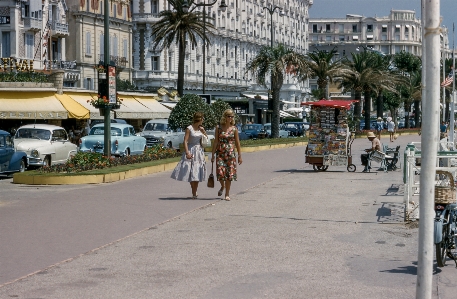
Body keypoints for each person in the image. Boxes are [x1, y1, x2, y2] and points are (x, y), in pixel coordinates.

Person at [170, 112, 208, 199]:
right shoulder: (189, 128)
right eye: (202, 118)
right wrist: (187, 152)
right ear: (199, 119)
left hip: (199, 151)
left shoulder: (200, 129)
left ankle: (195, 190)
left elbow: (206, 139)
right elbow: (185, 141)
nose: (203, 120)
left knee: (197, 171)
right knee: (192, 172)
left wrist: (203, 131)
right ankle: (194, 192)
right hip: (191, 150)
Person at [211, 109, 243, 201]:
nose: (230, 118)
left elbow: (237, 143)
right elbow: (216, 141)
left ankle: (227, 194)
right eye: (229, 116)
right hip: (220, 153)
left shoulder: (234, 129)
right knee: (220, 173)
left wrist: (240, 155)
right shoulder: (219, 128)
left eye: (232, 116)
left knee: (229, 174)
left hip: (230, 154)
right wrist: (212, 154)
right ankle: (222, 186)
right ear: (225, 117)